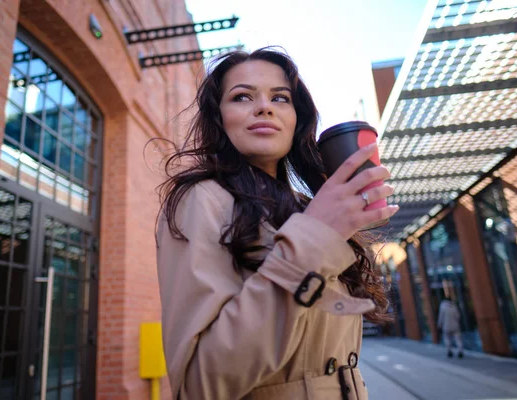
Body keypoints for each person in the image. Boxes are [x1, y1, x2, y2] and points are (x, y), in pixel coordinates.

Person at [155, 47, 399, 400]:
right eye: (242, 96)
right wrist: (315, 240)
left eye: (280, 98)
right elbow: (200, 384)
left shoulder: (307, 207)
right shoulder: (202, 199)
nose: (264, 107)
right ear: (219, 117)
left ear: (296, 119)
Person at [438, 294, 464, 358]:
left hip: (446, 326)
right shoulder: (454, 306)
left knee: (447, 339)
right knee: (458, 339)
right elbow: (458, 316)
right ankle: (460, 351)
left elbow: (441, 317)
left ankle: (449, 351)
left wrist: (439, 324)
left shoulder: (442, 306)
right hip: (455, 325)